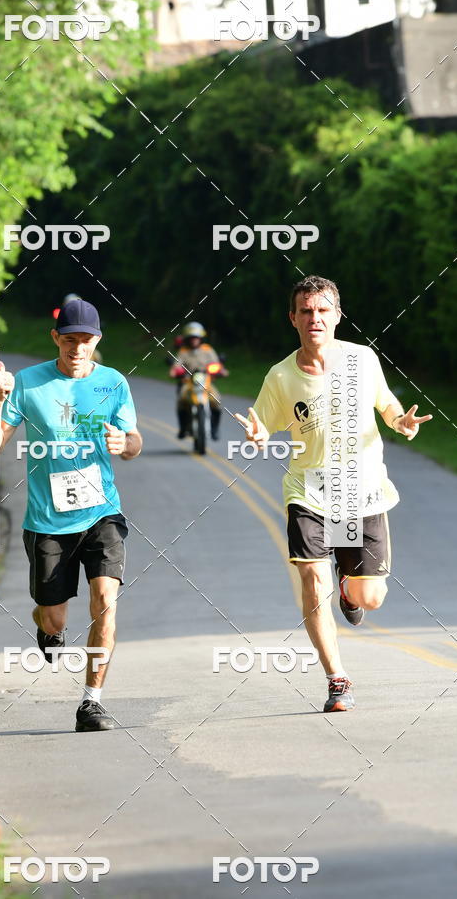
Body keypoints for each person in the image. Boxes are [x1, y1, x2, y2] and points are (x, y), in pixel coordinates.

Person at [236, 275, 432, 713]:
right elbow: (263, 427)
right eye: (306, 311)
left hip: (359, 493)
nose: (315, 319)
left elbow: (388, 406)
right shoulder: (281, 376)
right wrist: (257, 434)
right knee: (311, 578)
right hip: (309, 492)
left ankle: (350, 589)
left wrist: (402, 422)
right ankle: (336, 678)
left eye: (323, 310)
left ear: (338, 315)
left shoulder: (362, 359)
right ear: (293, 318)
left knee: (370, 598)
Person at [0, 298, 142, 731]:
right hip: (46, 523)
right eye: (69, 340)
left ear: (97, 340)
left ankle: (91, 702)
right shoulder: (28, 382)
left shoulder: (113, 382)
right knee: (54, 615)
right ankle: (47, 626)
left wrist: (124, 446)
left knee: (105, 603)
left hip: (102, 514)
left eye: (86, 340)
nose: (77, 348)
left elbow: (133, 440)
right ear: (55, 338)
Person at [169, 322, 225, 440]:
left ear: (201, 338)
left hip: (206, 383)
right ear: (187, 339)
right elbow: (176, 366)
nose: (194, 340)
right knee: (181, 401)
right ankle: (183, 428)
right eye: (191, 338)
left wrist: (221, 370)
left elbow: (217, 364)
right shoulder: (183, 351)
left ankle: (214, 429)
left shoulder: (208, 350)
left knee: (217, 400)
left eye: (196, 338)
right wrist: (175, 371)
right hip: (188, 383)